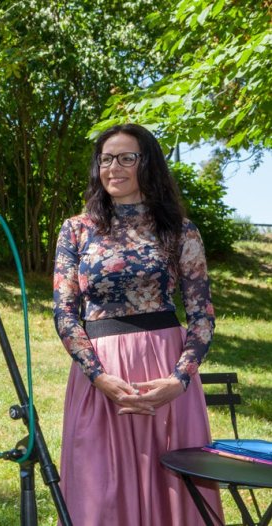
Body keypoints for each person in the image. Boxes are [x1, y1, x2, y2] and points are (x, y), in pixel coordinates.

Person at [52, 123, 224, 525]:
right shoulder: (76, 230)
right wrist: (98, 376)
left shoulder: (180, 230)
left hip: (165, 374)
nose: (114, 167)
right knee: (99, 494)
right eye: (106, 158)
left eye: (127, 157)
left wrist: (178, 380)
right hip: (102, 376)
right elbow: (64, 312)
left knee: (175, 494)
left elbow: (201, 315)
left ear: (148, 164)